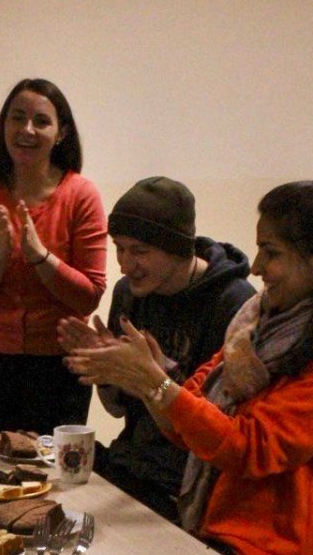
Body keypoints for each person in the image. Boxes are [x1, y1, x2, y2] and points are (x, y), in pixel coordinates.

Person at [65, 181, 313, 555]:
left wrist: (153, 382)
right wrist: (145, 380)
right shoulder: (257, 322)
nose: (255, 267)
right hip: (217, 528)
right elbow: (188, 423)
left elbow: (250, 449)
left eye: (271, 253)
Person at [58, 177, 254, 520]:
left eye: (139, 251)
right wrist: (107, 373)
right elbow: (117, 410)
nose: (124, 264)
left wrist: (150, 375)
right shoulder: (128, 293)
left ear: (178, 249)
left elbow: (220, 428)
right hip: (132, 465)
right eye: (119, 248)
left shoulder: (234, 304)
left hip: (189, 484)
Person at [0, 78, 106, 435]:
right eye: (17, 118)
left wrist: (40, 257)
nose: (27, 130)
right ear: (4, 126)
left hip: (59, 368)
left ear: (61, 133)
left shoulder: (81, 195)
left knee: (53, 469)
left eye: (41, 121)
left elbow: (89, 296)